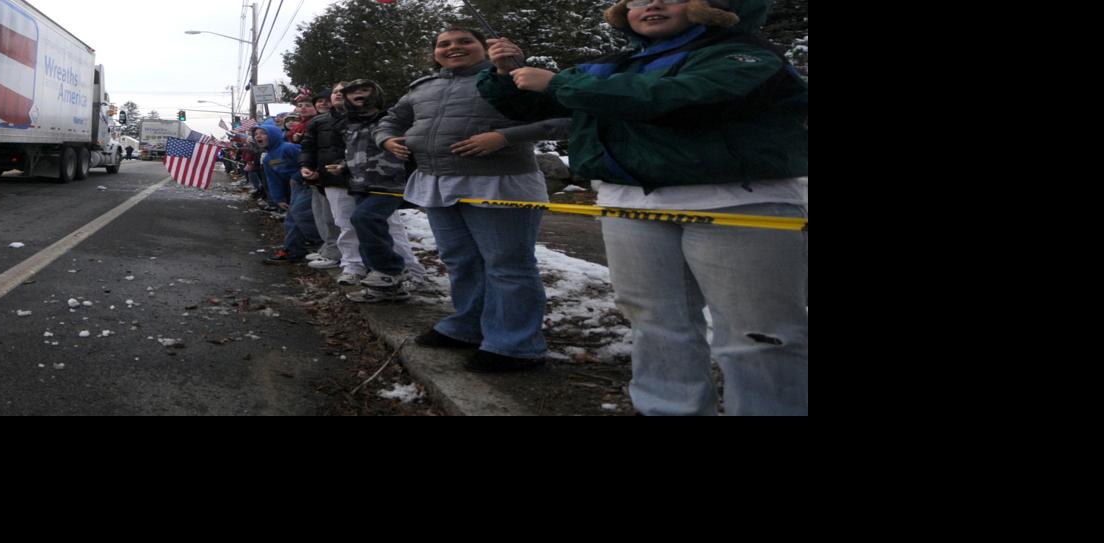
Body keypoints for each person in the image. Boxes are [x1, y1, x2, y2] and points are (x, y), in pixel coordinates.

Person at [480, 0, 808, 414]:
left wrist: (559, 84)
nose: (649, 4)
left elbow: (678, 97)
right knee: (654, 321)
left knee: (759, 333)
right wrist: (504, 73)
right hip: (629, 203)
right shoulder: (613, 66)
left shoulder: (748, 54)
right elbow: (534, 104)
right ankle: (667, 408)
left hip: (741, 202)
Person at [377, 28, 571, 372]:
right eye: (444, 43)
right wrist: (387, 139)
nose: (453, 48)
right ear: (434, 52)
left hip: (500, 183)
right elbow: (391, 119)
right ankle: (469, 325)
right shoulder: (422, 87)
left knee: (508, 265)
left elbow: (566, 119)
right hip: (436, 182)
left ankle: (516, 344)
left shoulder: (513, 78)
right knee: (460, 260)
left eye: (464, 41)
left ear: (485, 47)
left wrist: (503, 137)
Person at [339, 79, 430, 299]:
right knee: (364, 226)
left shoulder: (390, 120)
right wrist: (343, 167)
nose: (359, 94)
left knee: (365, 218)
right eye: (353, 92)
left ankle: (390, 270)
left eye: (365, 89)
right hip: (361, 184)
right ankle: (383, 287)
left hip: (390, 183)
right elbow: (357, 153)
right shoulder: (348, 125)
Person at [255, 120, 321, 264]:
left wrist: (299, 176)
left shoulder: (288, 148)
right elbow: (273, 180)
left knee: (299, 213)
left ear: (273, 135)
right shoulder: (268, 159)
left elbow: (308, 161)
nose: (258, 136)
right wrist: (279, 198)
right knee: (291, 219)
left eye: (263, 133)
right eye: (256, 134)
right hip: (297, 187)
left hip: (310, 184)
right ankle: (293, 250)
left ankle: (321, 244)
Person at [298, 87, 346, 271]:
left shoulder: (345, 122)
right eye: (319, 101)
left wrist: (323, 171)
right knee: (324, 216)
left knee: (337, 220)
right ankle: (329, 248)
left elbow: (337, 151)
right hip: (320, 179)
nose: (323, 104)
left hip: (338, 177)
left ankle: (338, 255)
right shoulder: (317, 123)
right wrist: (307, 167)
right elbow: (309, 149)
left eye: (326, 100)